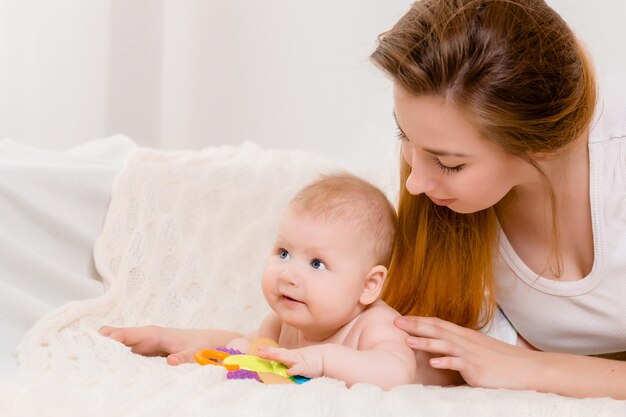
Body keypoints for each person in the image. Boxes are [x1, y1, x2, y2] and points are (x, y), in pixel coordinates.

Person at [368, 0, 626, 399]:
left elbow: (509, 363)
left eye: (449, 163)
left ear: (537, 146)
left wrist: (531, 367)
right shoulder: (452, 202)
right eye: (404, 137)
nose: (415, 183)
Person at [101, 173, 442, 389]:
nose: (289, 274)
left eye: (317, 263)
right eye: (282, 253)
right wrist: (175, 341)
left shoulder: (377, 326)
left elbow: (396, 374)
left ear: (369, 286)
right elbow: (245, 347)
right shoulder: (282, 323)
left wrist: (322, 360)